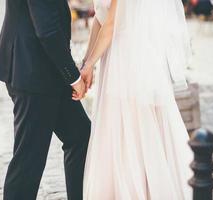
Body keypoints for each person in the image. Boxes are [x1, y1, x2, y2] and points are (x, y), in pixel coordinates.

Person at [81, 0, 193, 199]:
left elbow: (111, 24)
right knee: (116, 127)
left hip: (131, 59)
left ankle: (144, 189)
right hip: (111, 55)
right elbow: (99, 18)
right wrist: (86, 61)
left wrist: (90, 64)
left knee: (135, 126)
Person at [0, 0, 91, 199]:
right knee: (28, 161)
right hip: (33, 73)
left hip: (46, 70)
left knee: (79, 135)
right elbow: (47, 30)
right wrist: (73, 77)